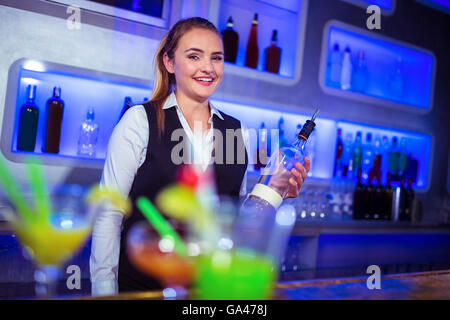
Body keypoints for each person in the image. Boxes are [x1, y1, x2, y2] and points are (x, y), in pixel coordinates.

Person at [89, 17, 310, 296]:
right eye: (194, 56)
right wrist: (104, 290)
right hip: (145, 290)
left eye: (216, 58)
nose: (208, 68)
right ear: (169, 63)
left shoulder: (235, 131)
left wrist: (274, 191)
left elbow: (231, 226)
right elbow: (109, 214)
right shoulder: (139, 121)